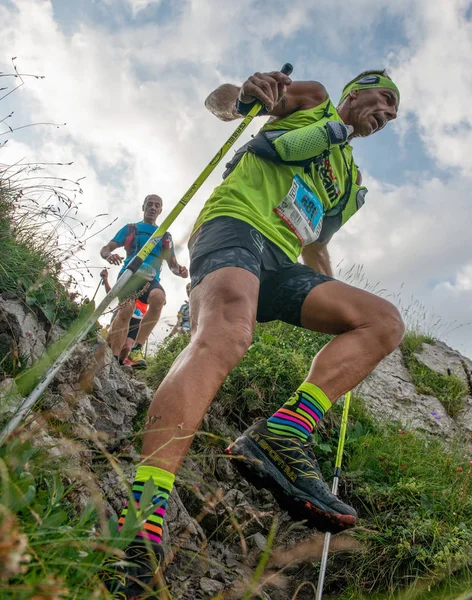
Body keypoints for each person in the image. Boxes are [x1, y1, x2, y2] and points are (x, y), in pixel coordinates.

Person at [104, 69, 403, 597]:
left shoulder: (352, 184)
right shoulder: (316, 102)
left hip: (282, 260)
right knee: (227, 333)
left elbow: (313, 242)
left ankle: (286, 431)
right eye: (385, 99)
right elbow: (219, 103)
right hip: (234, 226)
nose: (390, 113)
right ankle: (141, 526)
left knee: (381, 322)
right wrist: (241, 96)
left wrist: (328, 290)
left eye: (396, 112)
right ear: (356, 92)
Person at [99, 194, 188, 369]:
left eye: (157, 205)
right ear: (143, 207)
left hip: (150, 280)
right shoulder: (131, 228)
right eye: (149, 204)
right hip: (129, 276)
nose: (153, 208)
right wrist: (109, 255)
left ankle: (137, 348)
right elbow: (106, 248)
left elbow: (173, 266)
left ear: (161, 210)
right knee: (127, 309)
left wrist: (182, 272)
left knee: (159, 297)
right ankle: (113, 358)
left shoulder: (165, 236)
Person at [100, 269, 149, 367]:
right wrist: (105, 280)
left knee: (127, 347)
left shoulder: (148, 288)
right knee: (112, 342)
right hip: (122, 313)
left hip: (137, 319)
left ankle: (119, 365)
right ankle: (105, 360)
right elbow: (112, 293)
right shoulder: (130, 284)